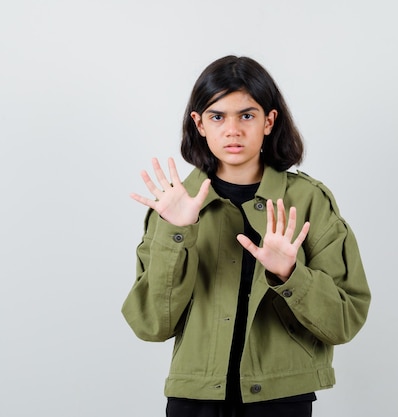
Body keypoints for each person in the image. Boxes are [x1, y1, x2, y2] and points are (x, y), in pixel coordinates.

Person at [122, 55, 371, 417]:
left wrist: (290, 274)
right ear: (199, 123)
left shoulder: (308, 201)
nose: (233, 130)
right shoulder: (176, 205)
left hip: (282, 399)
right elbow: (151, 324)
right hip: (195, 399)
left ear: (269, 121)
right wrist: (177, 232)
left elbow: (344, 321)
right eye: (217, 116)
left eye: (247, 115)